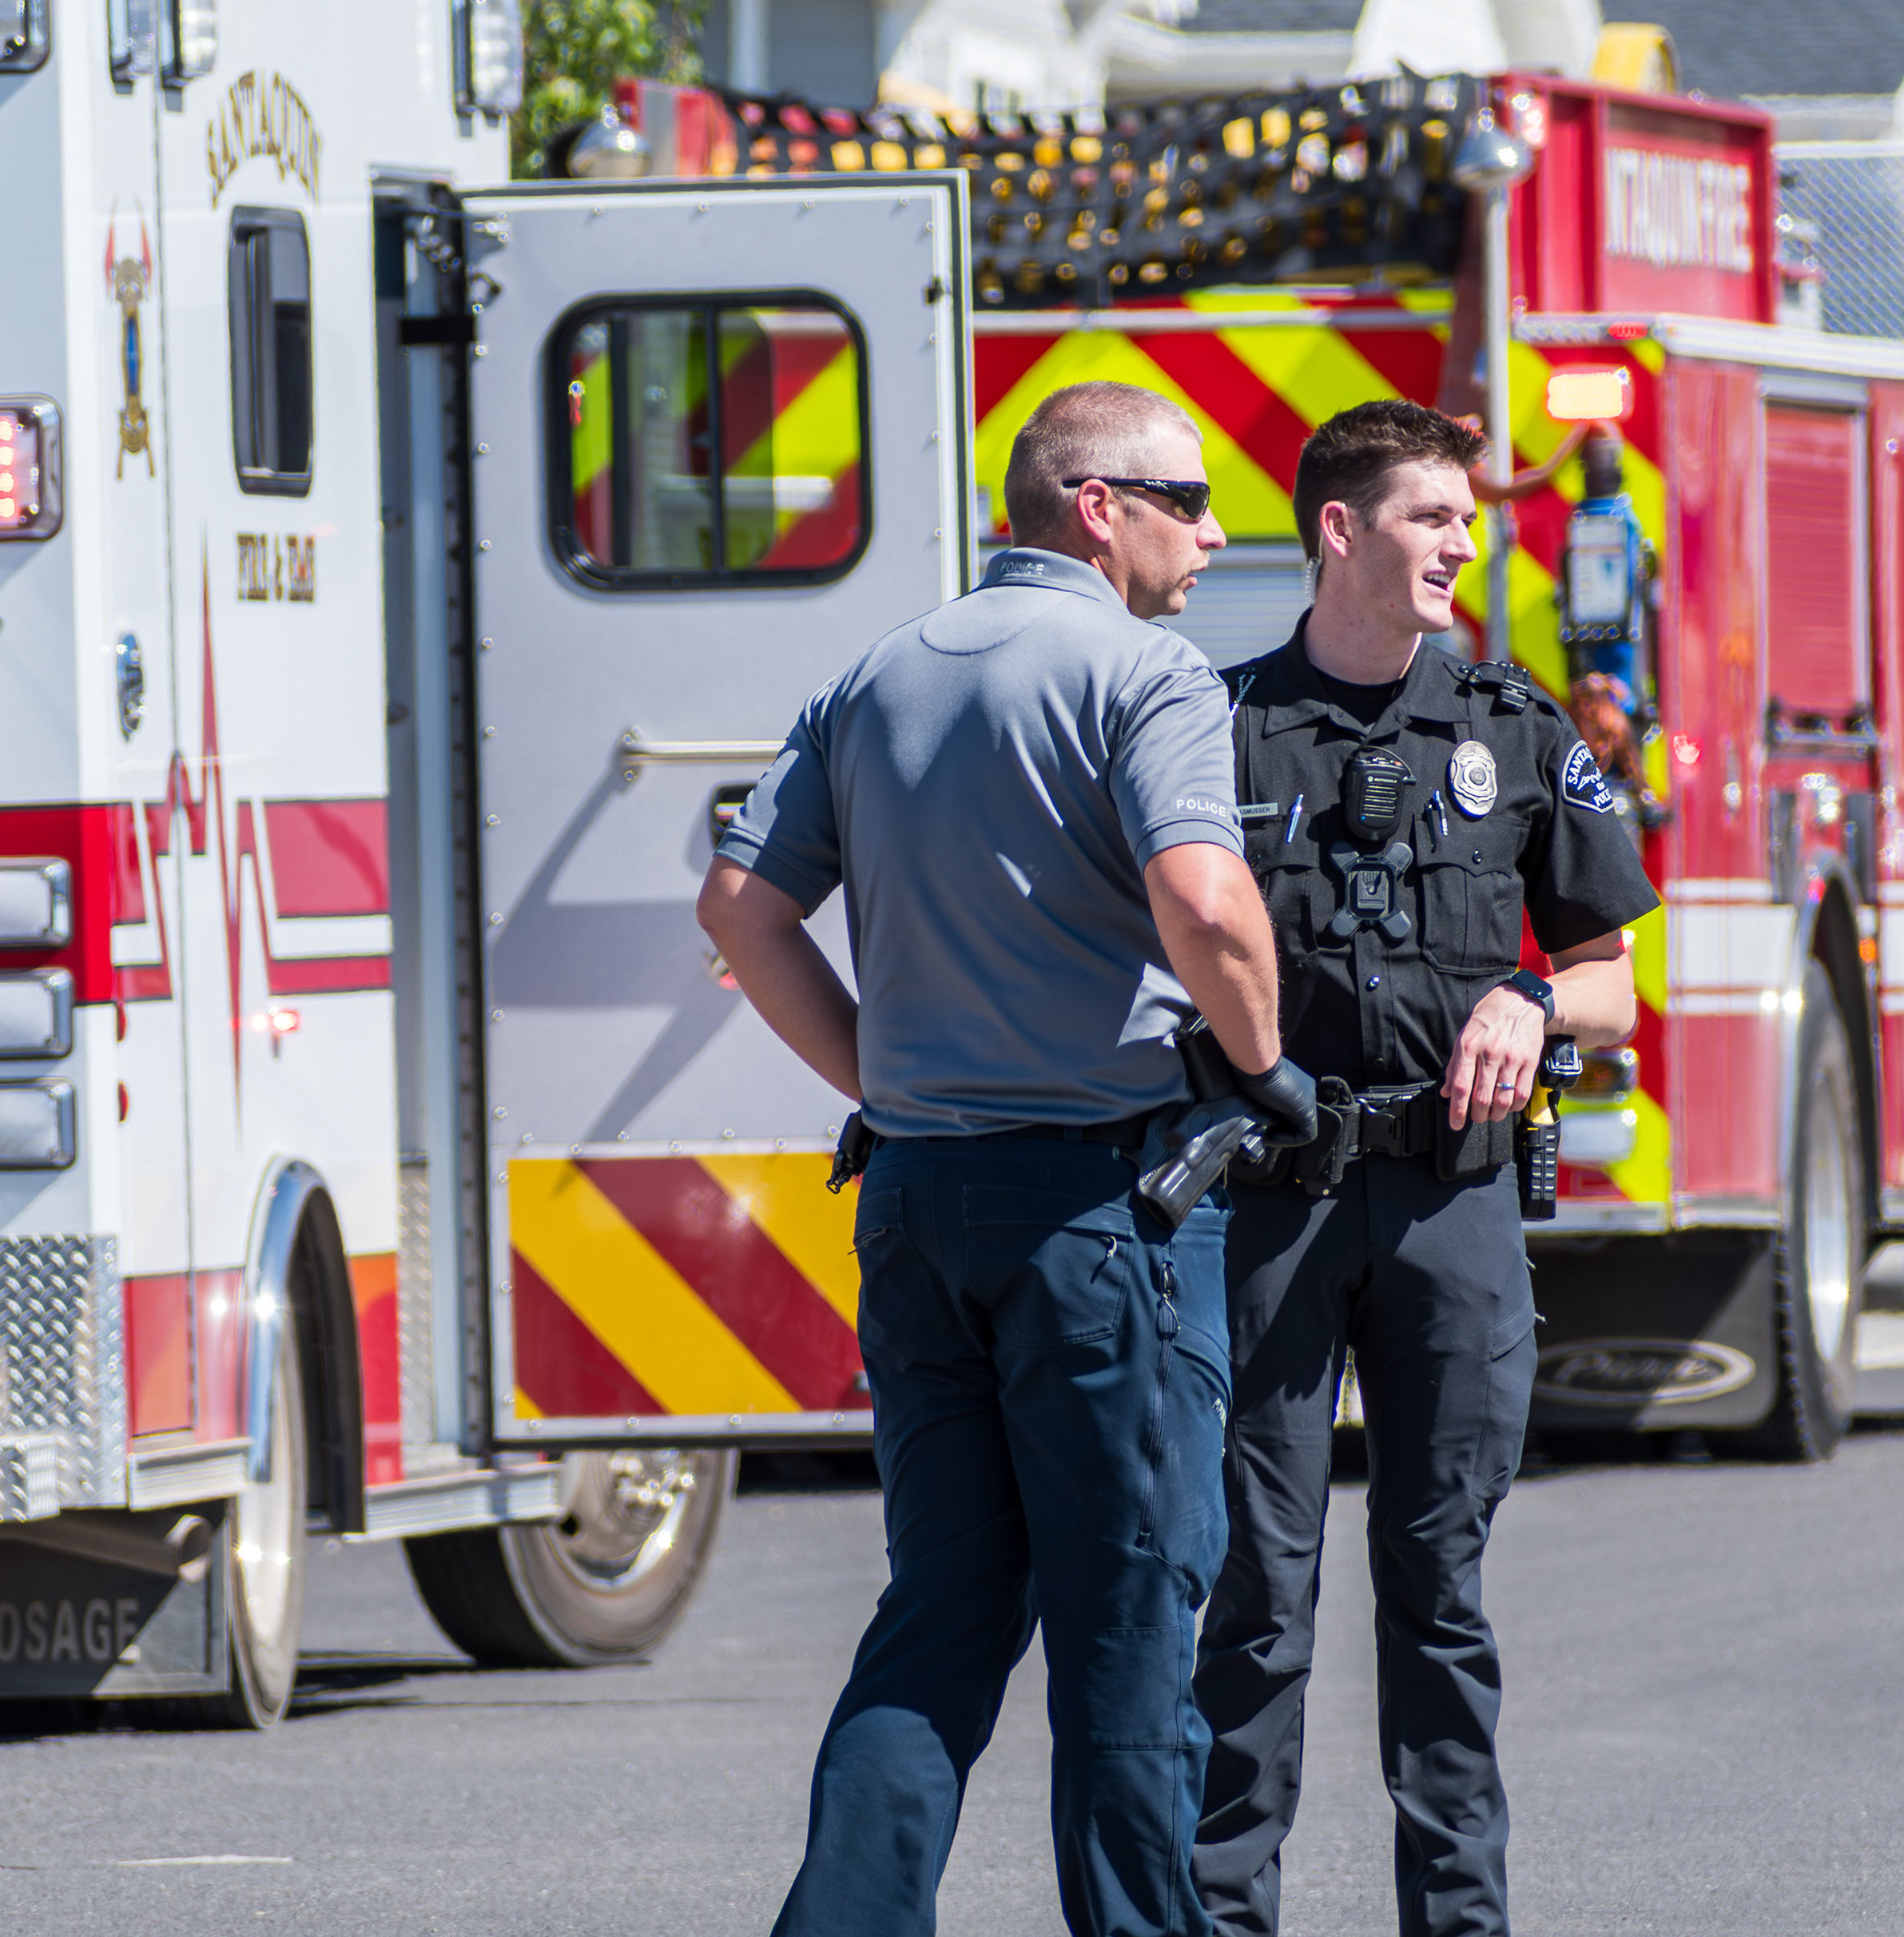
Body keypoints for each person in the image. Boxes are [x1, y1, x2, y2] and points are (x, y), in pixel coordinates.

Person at [700, 380, 1316, 1937]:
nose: (1214, 527)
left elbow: (739, 910)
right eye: (1185, 496)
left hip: (918, 1203)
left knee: (942, 1614)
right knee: (1124, 1622)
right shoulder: (1146, 674)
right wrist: (1261, 1061)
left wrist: (885, 1079)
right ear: (1095, 505)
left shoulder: (879, 674)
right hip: (1101, 1211)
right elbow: (1207, 901)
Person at [1194, 400, 1656, 1937]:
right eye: (1432, 518)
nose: (1465, 542)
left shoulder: (1515, 728)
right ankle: (1223, 1913)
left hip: (1452, 1204)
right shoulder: (1216, 727)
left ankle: (1460, 1924)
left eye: (1467, 518)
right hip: (1275, 1205)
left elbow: (1610, 979)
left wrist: (1534, 999)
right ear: (1340, 531)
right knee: (1257, 1594)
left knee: (1438, 1591)